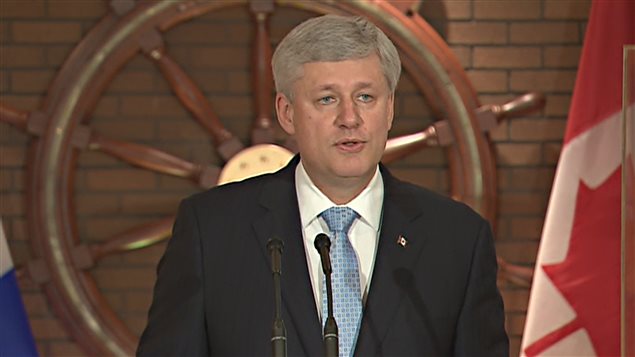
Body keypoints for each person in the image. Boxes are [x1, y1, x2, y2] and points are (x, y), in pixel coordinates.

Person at [137, 14, 508, 356]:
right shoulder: (211, 231)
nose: (350, 118)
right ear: (286, 112)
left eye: (366, 97)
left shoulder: (458, 239)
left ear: (390, 108)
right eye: (327, 99)